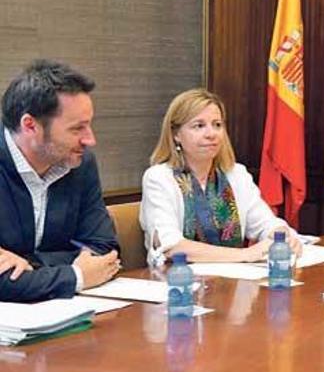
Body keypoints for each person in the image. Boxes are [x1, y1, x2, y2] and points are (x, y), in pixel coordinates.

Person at [0, 59, 120, 302]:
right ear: (30, 126)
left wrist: (30, 262)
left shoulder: (80, 163)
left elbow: (104, 251)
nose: (90, 140)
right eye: (77, 129)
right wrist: (76, 275)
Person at [140, 89, 301, 263]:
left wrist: (283, 235)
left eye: (217, 124)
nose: (211, 134)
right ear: (176, 134)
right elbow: (171, 246)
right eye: (199, 126)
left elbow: (265, 223)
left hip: (233, 281)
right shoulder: (159, 178)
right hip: (177, 282)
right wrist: (245, 255)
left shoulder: (236, 174)